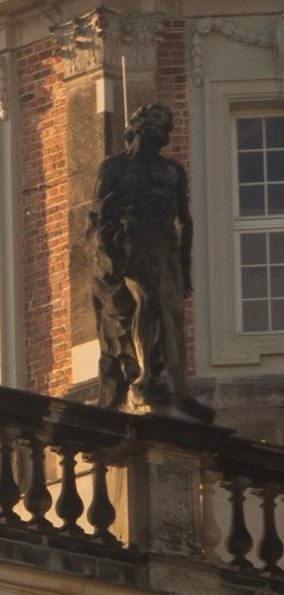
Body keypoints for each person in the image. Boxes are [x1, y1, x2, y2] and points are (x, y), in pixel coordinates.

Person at [93, 102, 213, 420]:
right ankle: (145, 375)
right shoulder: (114, 167)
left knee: (172, 317)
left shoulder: (172, 171)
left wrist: (184, 267)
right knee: (146, 299)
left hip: (166, 248)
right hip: (133, 245)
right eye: (159, 124)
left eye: (168, 126)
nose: (165, 131)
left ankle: (179, 389)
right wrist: (111, 245)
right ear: (141, 126)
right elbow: (99, 213)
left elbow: (184, 221)